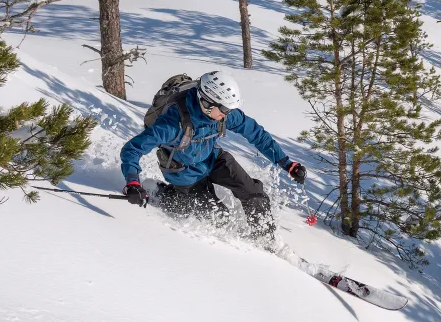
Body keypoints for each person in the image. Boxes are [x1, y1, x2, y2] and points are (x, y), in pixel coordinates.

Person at [120, 70, 306, 242]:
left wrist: (286, 163)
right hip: (184, 172)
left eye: (230, 109)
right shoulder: (171, 124)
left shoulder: (224, 114)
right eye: (225, 109)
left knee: (254, 194)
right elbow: (132, 149)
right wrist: (132, 182)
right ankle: (161, 193)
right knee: (217, 218)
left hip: (212, 157)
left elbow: (256, 133)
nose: (228, 114)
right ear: (207, 104)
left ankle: (265, 241)